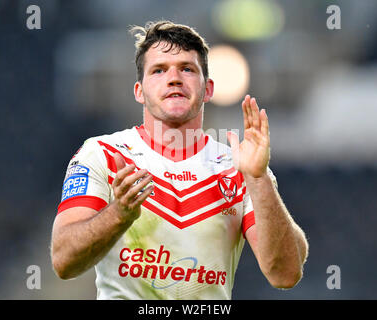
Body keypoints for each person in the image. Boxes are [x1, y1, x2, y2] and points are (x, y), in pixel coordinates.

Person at [51, 20, 309, 300]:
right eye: (159, 70)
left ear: (208, 89)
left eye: (187, 69)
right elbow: (64, 261)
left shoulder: (239, 167)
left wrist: (259, 179)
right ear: (139, 91)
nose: (174, 79)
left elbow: (284, 274)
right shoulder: (103, 153)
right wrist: (118, 215)